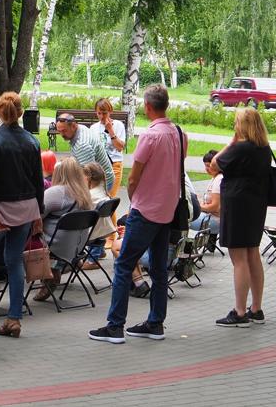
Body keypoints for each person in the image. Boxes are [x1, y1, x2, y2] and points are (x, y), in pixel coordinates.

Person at [89, 84, 185, 345]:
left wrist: (135, 198)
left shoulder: (150, 136)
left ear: (148, 107)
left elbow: (134, 176)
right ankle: (155, 323)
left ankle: (115, 326)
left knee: (123, 264)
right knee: (158, 267)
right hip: (167, 208)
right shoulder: (179, 133)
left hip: (147, 209)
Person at [0, 91, 43, 337]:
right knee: (14, 261)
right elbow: (38, 181)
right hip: (26, 208)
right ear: (21, 112)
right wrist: (38, 213)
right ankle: (14, 318)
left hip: (0, 210)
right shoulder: (31, 141)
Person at [211, 108, 272, 328]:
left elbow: (214, 165)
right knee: (252, 254)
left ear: (241, 125)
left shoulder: (240, 148)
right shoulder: (264, 148)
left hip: (237, 205)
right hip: (256, 206)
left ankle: (239, 312)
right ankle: (256, 308)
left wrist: (230, 143)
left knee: (239, 260)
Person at [35, 157, 94, 302]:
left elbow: (36, 215)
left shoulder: (56, 192)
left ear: (58, 173)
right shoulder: (84, 193)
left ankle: (49, 271)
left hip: (55, 245)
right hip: (77, 245)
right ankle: (56, 269)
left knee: (24, 232)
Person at [54, 113, 114, 192]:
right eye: (59, 131)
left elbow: (88, 176)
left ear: (73, 126)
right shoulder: (80, 128)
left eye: (64, 131)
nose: (62, 134)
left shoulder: (82, 145)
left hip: (101, 182)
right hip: (101, 176)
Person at [88, 98, 126, 197]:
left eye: (104, 113)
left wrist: (110, 130)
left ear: (110, 111)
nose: (101, 116)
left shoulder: (118, 125)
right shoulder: (93, 128)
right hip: (98, 167)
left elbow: (119, 147)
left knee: (109, 198)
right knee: (100, 200)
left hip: (114, 165)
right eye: (99, 113)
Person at [190, 150, 221, 239]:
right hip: (211, 217)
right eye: (205, 166)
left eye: (209, 166)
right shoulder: (215, 178)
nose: (206, 169)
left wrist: (197, 206)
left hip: (216, 221)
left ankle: (177, 246)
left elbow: (215, 207)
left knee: (182, 218)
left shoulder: (219, 180)